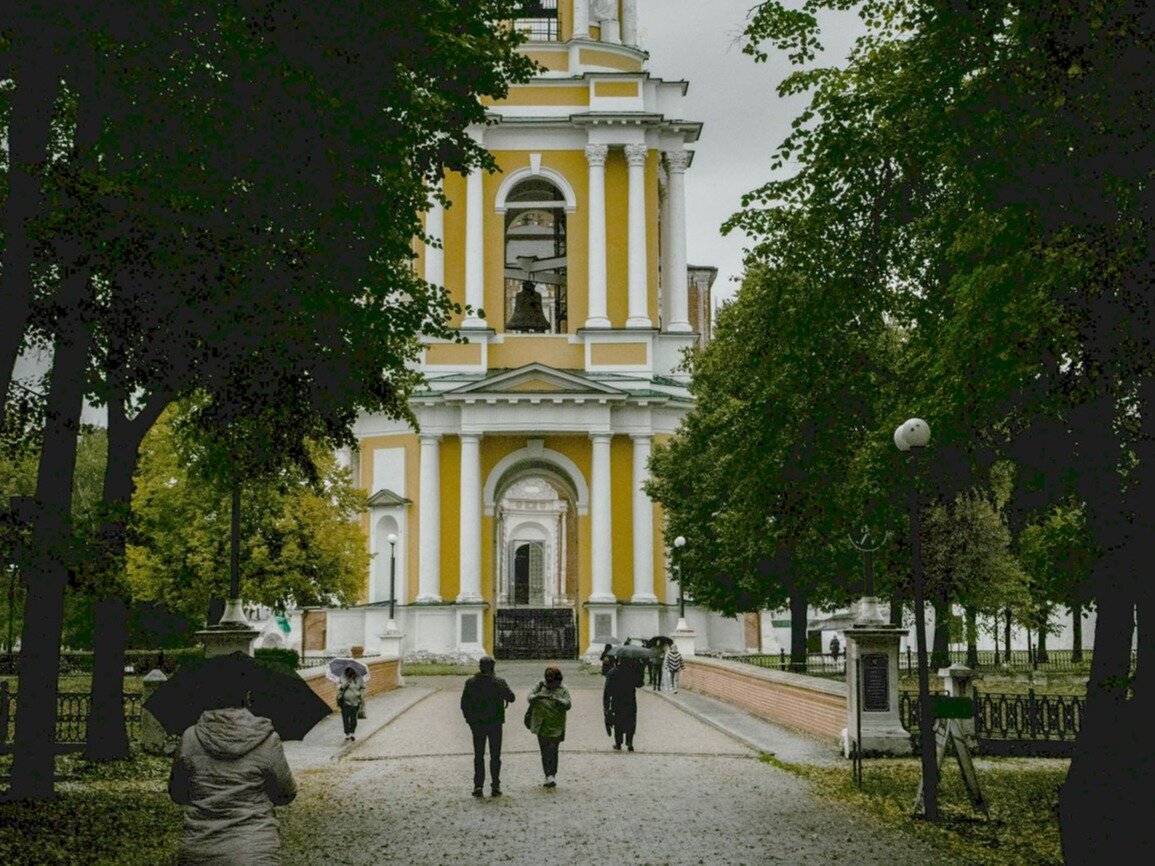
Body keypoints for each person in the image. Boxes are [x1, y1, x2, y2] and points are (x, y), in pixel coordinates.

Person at [168, 687, 297, 866]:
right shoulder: (268, 739)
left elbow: (177, 793)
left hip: (200, 849)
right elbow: (286, 794)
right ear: (247, 697)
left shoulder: (190, 737)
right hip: (254, 850)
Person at [460, 655, 515, 798]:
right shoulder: (499, 682)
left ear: (480, 667)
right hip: (495, 723)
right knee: (495, 756)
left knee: (478, 755)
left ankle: (478, 786)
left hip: (477, 724)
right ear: (493, 668)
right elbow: (512, 698)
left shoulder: (471, 683)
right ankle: (495, 785)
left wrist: (469, 720)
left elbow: (464, 704)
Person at [526, 665, 571, 788]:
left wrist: (558, 700)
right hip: (541, 724)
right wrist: (537, 696)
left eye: (551, 676)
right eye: (547, 676)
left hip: (556, 725)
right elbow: (529, 697)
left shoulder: (563, 689)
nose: (548, 678)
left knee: (553, 750)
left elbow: (568, 704)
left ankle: (552, 774)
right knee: (544, 751)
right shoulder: (540, 686)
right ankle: (548, 775)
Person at [604, 656, 643, 751]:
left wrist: (606, 705)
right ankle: (629, 742)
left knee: (618, 722)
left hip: (617, 701)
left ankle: (618, 743)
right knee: (631, 721)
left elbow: (607, 690)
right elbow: (640, 684)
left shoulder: (613, 672)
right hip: (630, 700)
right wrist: (640, 668)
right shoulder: (632, 672)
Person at [336, 666, 366, 742]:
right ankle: (347, 733)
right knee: (345, 719)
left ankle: (352, 732)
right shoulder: (343, 676)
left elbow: (362, 688)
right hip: (345, 701)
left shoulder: (359, 678)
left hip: (355, 702)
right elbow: (339, 687)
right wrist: (341, 686)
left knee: (353, 719)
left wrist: (362, 700)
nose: (350, 671)